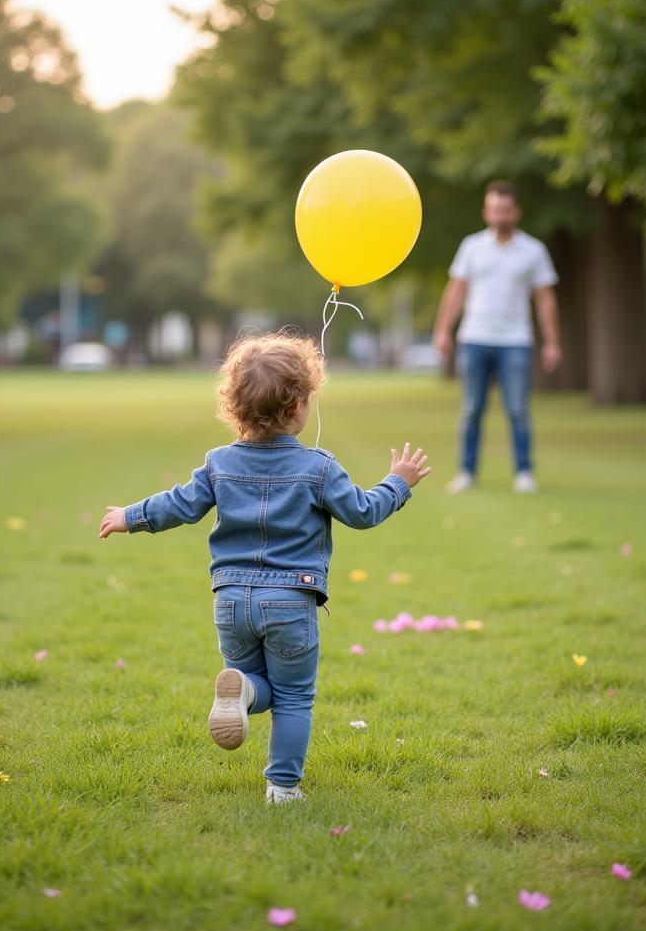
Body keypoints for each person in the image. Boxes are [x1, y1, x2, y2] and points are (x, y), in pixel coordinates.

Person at [99, 331, 431, 803]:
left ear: (234, 406)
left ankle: (244, 695)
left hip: (231, 601)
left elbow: (179, 504)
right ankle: (282, 788)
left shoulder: (217, 464)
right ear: (297, 408)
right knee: (294, 696)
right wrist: (398, 484)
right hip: (290, 602)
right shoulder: (319, 467)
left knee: (257, 685)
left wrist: (129, 516)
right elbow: (362, 511)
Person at [432, 180, 561, 493]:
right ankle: (466, 472)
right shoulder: (471, 247)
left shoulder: (534, 251)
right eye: (494, 210)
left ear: (516, 212)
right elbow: (456, 292)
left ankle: (524, 472)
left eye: (505, 210)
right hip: (474, 338)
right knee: (471, 409)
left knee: (517, 409)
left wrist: (553, 342)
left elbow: (545, 299)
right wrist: (443, 330)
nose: (500, 216)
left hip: (516, 340)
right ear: (486, 212)